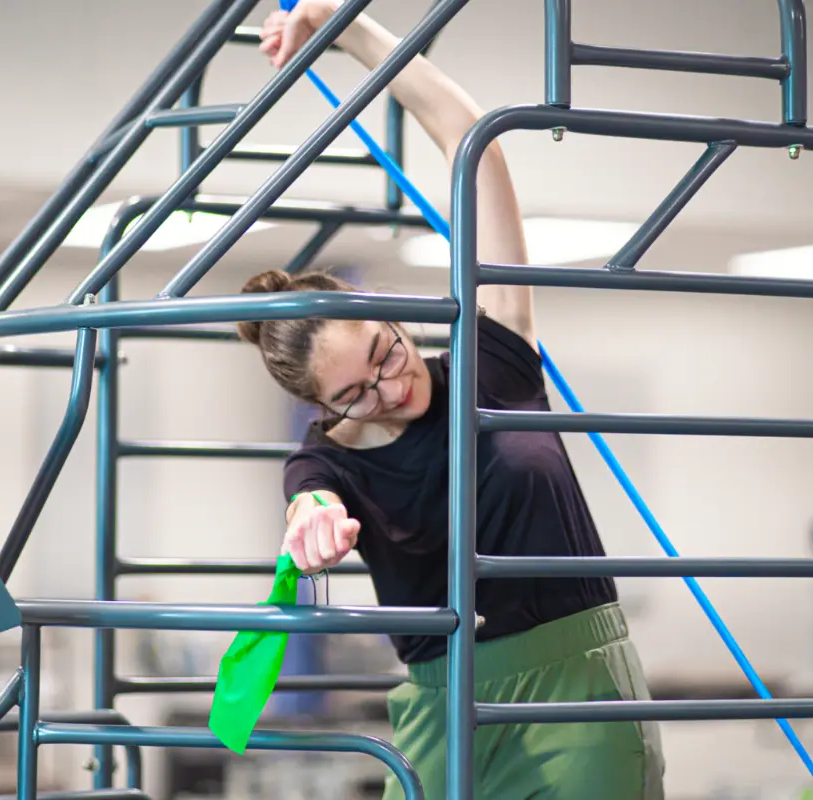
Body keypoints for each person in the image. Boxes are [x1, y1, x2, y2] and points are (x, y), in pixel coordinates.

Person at [242, 3, 666, 797]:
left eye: (386, 351)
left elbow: (469, 135)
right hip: (441, 700)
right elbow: (309, 504)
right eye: (358, 394)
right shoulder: (327, 459)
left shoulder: (493, 358)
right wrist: (312, 526)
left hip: (576, 683)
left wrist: (344, 25)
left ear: (391, 319)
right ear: (326, 408)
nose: (392, 386)